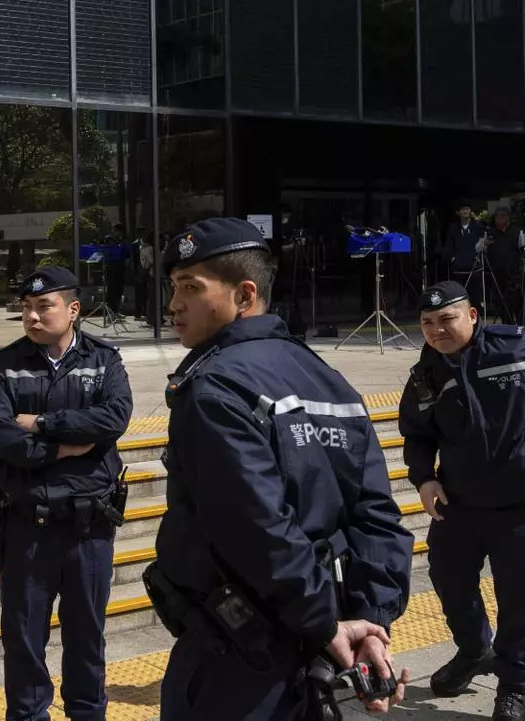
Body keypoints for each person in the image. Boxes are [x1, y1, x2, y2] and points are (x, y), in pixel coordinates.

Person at [147, 217, 414, 720]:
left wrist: (327, 625)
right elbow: (377, 514)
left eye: (189, 288)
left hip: (240, 660)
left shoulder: (215, 389)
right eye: (172, 288)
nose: (173, 305)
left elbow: (256, 527)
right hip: (319, 652)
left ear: (244, 295)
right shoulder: (330, 381)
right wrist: (368, 619)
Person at [399, 281, 525, 721]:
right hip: (459, 502)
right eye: (428, 324)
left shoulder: (515, 347)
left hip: (522, 498)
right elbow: (416, 432)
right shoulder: (426, 372)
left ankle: (513, 684)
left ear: (472, 316)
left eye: (447, 319)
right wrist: (422, 479)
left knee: (521, 599)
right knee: (450, 583)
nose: (437, 330)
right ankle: (474, 651)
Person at [0, 266, 134, 721]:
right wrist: (66, 446)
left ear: (73, 309)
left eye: (44, 306)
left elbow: (113, 420)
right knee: (23, 639)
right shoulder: (7, 365)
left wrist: (42, 423)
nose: (33, 316)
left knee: (87, 638)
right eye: (26, 307)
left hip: (90, 528)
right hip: (28, 527)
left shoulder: (104, 361)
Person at [476, 207, 525, 325]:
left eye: (502, 217)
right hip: (496, 273)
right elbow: (478, 248)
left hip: (514, 273)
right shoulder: (489, 232)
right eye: (497, 217)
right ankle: (507, 326)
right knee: (501, 302)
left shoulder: (517, 231)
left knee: (517, 302)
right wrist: (485, 243)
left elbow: (523, 250)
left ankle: (521, 327)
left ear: (507, 218)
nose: (499, 220)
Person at [440, 204, 484, 286]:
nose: (465, 212)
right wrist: (453, 258)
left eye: (467, 209)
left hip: (474, 267)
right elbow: (448, 246)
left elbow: (482, 244)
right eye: (463, 209)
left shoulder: (478, 226)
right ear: (457, 212)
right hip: (458, 268)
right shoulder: (453, 228)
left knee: (475, 294)